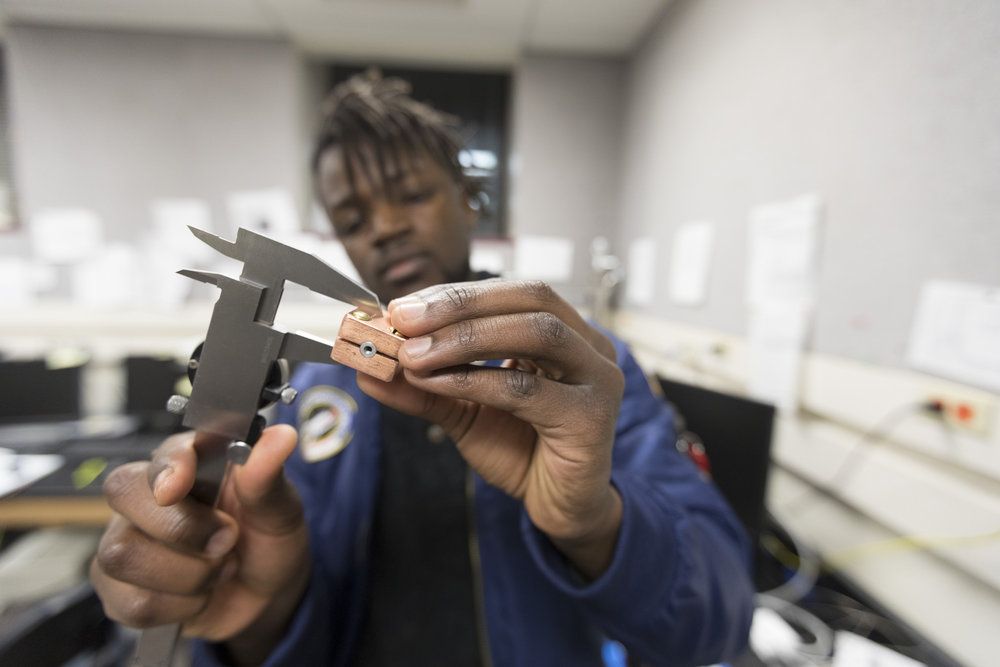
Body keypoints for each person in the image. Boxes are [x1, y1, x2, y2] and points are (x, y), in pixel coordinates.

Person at [90, 71, 754, 666]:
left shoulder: (584, 375)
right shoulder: (315, 389)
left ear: (469, 200)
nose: (382, 228)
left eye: (409, 195)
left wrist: (594, 520)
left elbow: (717, 624)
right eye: (352, 217)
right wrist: (258, 617)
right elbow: (280, 616)